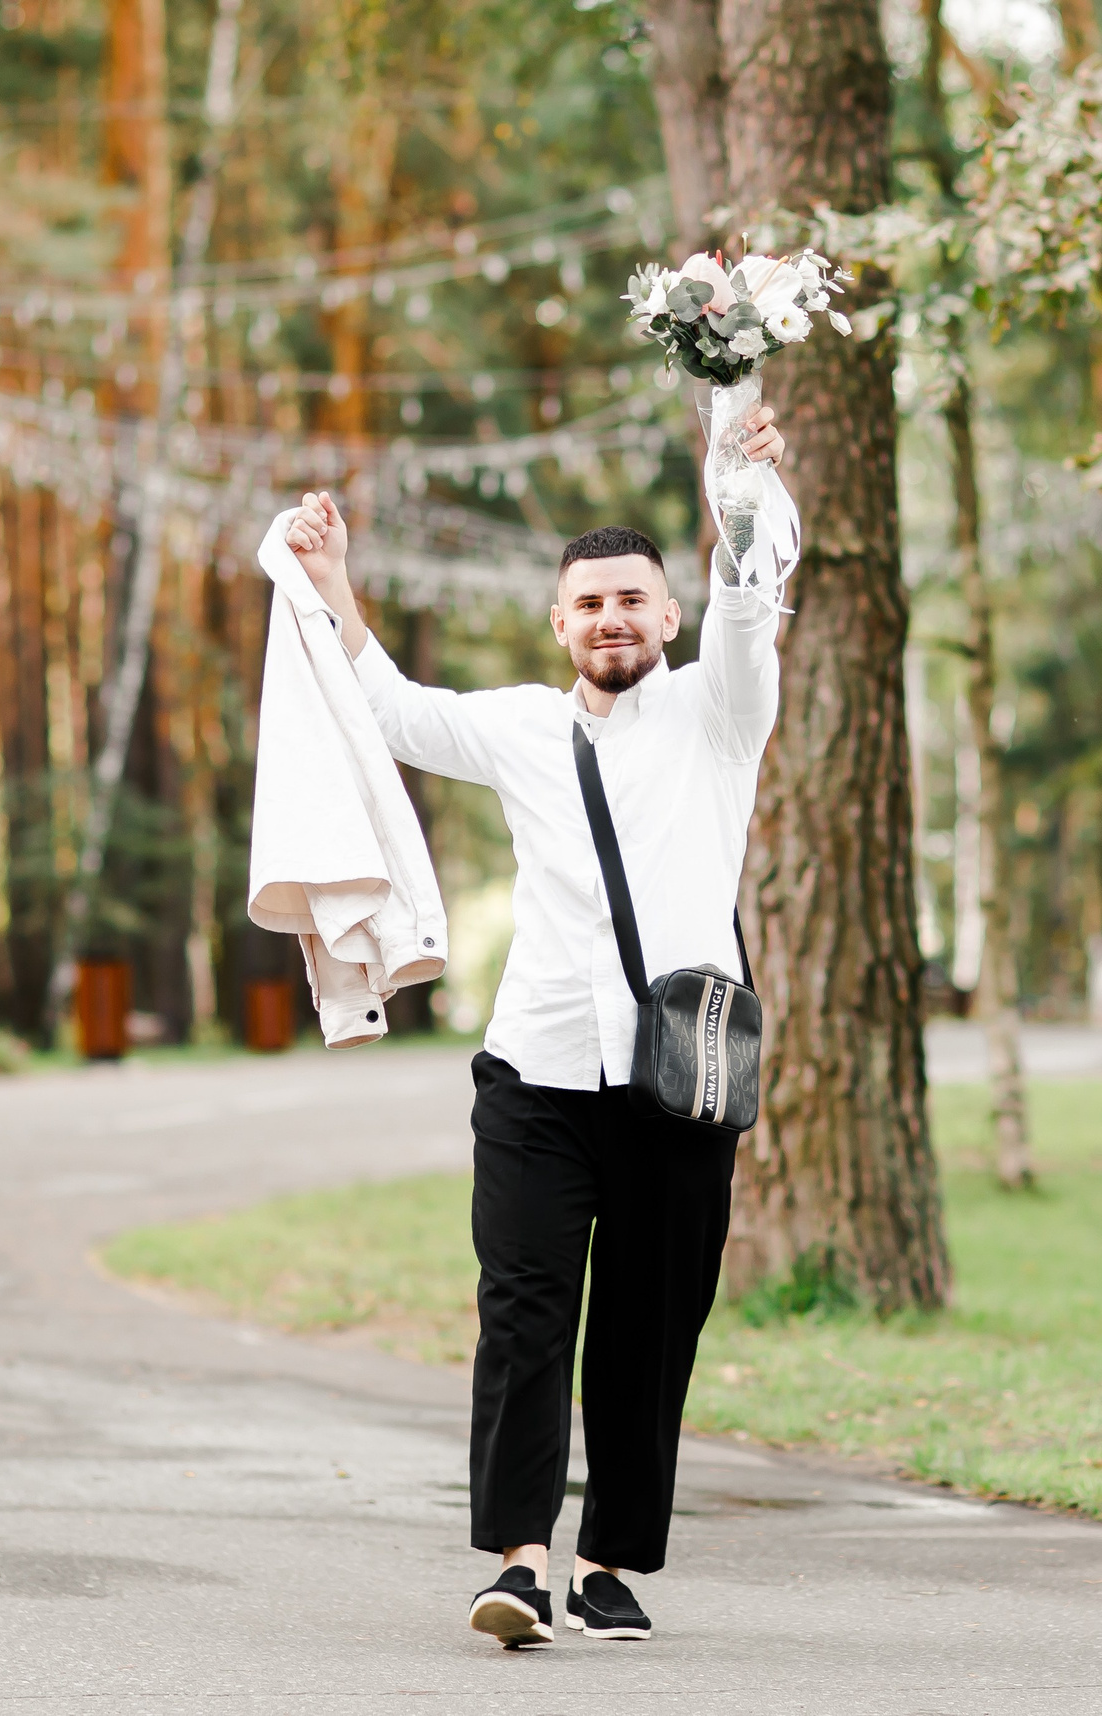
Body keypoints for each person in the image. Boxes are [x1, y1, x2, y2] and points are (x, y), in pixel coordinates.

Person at [281, 400, 790, 1648]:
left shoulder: (721, 715)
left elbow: (750, 590)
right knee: (523, 1312)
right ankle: (517, 1562)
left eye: (632, 599)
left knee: (647, 1327)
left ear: (665, 617)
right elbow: (389, 706)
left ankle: (610, 1561)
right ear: (557, 625)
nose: (611, 618)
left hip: (680, 1082)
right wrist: (332, 580)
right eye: (588, 604)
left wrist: (738, 482)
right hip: (537, 1076)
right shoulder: (516, 724)